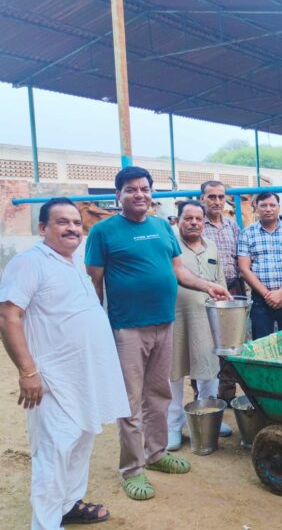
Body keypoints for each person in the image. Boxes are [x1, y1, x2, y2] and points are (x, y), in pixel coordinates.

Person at [85, 166, 230, 502]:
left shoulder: (162, 229)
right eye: (131, 189)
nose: (140, 195)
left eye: (145, 189)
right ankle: (132, 468)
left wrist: (208, 285)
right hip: (128, 328)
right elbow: (94, 282)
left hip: (164, 324)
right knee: (131, 401)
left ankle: (156, 453)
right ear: (118, 194)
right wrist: (98, 329)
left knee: (158, 394)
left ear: (152, 192)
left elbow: (178, 271)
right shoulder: (103, 232)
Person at [0, 198, 130, 529]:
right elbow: (8, 315)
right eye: (62, 222)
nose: (72, 228)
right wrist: (28, 372)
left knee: (81, 440)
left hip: (83, 377)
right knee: (54, 452)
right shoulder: (29, 263)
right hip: (52, 380)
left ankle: (68, 504)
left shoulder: (73, 261)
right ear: (42, 228)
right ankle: (45, 523)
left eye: (75, 222)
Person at [167, 201, 233, 452]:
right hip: (176, 318)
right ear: (178, 220)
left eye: (198, 219)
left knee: (209, 370)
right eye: (188, 218)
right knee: (173, 374)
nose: (194, 223)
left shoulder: (212, 246)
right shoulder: (170, 247)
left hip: (207, 320)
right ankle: (173, 425)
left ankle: (209, 417)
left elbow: (220, 282)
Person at [200, 180, 243, 405]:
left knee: (229, 343)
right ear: (202, 199)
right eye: (212, 197)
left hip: (231, 291)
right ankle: (205, 397)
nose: (217, 201)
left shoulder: (232, 226)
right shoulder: (197, 225)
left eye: (220, 197)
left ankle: (226, 395)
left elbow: (239, 259)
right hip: (203, 292)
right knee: (204, 343)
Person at [238, 191, 282, 339]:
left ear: (278, 207)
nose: (268, 209)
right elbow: (244, 268)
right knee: (261, 342)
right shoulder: (247, 233)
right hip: (260, 299)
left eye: (272, 205)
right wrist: (268, 295)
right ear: (256, 207)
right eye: (263, 205)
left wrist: (281, 293)